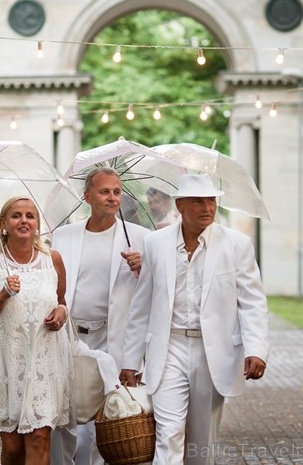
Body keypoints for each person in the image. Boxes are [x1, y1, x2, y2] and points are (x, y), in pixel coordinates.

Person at [120, 174, 270, 465]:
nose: (207, 208)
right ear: (180, 205)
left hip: (212, 351)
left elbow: (252, 301)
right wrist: (131, 360)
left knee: (202, 442)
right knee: (168, 432)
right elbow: (142, 305)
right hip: (168, 348)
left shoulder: (237, 244)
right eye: (198, 201)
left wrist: (256, 349)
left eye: (211, 201)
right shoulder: (155, 243)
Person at [0, 196, 73, 465]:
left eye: (30, 216)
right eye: (16, 215)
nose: (24, 220)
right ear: (3, 224)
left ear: (37, 225)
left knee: (39, 439)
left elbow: (61, 303)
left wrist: (61, 313)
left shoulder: (52, 259)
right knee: (12, 449)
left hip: (44, 364)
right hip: (6, 364)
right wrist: (3, 294)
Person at [51, 167, 150, 465]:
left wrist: (143, 269)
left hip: (113, 336)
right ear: (87, 196)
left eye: (117, 192)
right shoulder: (63, 236)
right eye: (105, 191)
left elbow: (158, 293)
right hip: (68, 335)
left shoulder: (141, 238)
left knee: (107, 414)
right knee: (63, 412)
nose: (112, 197)